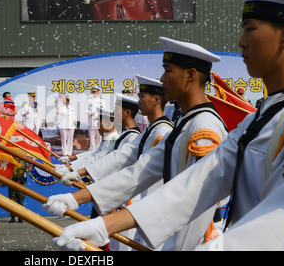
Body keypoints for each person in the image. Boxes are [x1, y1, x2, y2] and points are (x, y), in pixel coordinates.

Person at [51, 0, 284, 251]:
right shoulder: (258, 118)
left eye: (250, 30)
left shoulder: (207, 124)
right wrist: (103, 224)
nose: (241, 42)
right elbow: (197, 183)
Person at [46, 37, 229, 251]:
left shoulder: (203, 126)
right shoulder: (184, 124)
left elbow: (196, 200)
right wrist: (75, 198)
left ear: (190, 75)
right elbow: (138, 170)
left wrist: (103, 225)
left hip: (194, 240)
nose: (162, 79)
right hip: (166, 229)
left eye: (168, 71)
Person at [86, 86, 106, 150]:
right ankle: (92, 149)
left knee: (99, 137)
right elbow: (85, 110)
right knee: (91, 137)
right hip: (91, 121)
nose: (94, 93)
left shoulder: (102, 101)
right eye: (93, 91)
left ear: (98, 92)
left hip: (99, 121)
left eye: (95, 91)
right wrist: (89, 113)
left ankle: (98, 149)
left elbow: (104, 110)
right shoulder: (88, 101)